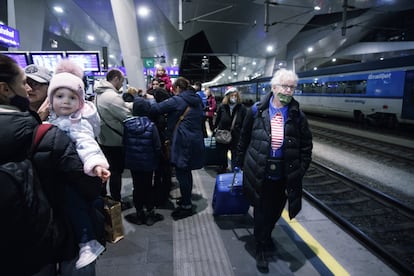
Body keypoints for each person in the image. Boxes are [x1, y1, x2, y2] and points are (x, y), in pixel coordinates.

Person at [0, 54, 102, 275]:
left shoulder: (50, 126)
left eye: (36, 84)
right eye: (25, 82)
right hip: (55, 233)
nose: (28, 88)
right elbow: (90, 186)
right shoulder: (45, 132)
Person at [235, 68, 313, 273]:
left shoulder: (297, 116)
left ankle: (266, 236)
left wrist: (299, 170)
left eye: (292, 87)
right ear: (274, 87)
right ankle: (261, 246)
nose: (288, 91)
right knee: (261, 211)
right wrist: (240, 162)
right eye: (284, 86)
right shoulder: (256, 111)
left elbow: (306, 147)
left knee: (276, 209)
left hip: (284, 175)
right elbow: (243, 138)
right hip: (259, 170)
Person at [47, 59, 110, 269]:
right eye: (59, 96)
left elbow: (88, 145)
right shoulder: (51, 122)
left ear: (80, 102)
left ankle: (88, 242)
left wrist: (97, 164)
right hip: (60, 179)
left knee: (75, 207)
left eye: (72, 97)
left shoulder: (78, 124)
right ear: (51, 99)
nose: (65, 101)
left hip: (74, 179)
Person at [144, 76, 204, 220]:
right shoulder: (197, 100)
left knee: (182, 172)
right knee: (186, 171)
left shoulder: (178, 100)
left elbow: (155, 109)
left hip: (183, 141)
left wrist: (148, 98)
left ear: (177, 88)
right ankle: (185, 199)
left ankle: (186, 206)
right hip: (195, 139)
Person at [123, 99, 164, 226]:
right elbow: (157, 146)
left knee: (137, 187)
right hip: (148, 163)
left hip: (134, 163)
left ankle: (139, 213)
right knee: (148, 186)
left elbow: (124, 144)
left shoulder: (127, 125)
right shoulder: (151, 126)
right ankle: (150, 214)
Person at [94, 69, 132, 207]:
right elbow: (127, 116)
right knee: (116, 172)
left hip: (103, 139)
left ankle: (103, 198)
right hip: (114, 140)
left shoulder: (99, 94)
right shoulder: (112, 96)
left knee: (105, 170)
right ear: (115, 79)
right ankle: (116, 201)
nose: (122, 84)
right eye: (121, 81)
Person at [214, 87, 247, 173]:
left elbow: (245, 123)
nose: (234, 97)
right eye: (232, 96)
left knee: (235, 155)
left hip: (236, 136)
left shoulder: (242, 108)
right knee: (222, 154)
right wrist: (215, 129)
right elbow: (217, 120)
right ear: (227, 97)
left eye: (235, 96)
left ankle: (234, 172)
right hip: (223, 135)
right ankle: (223, 168)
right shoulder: (222, 107)